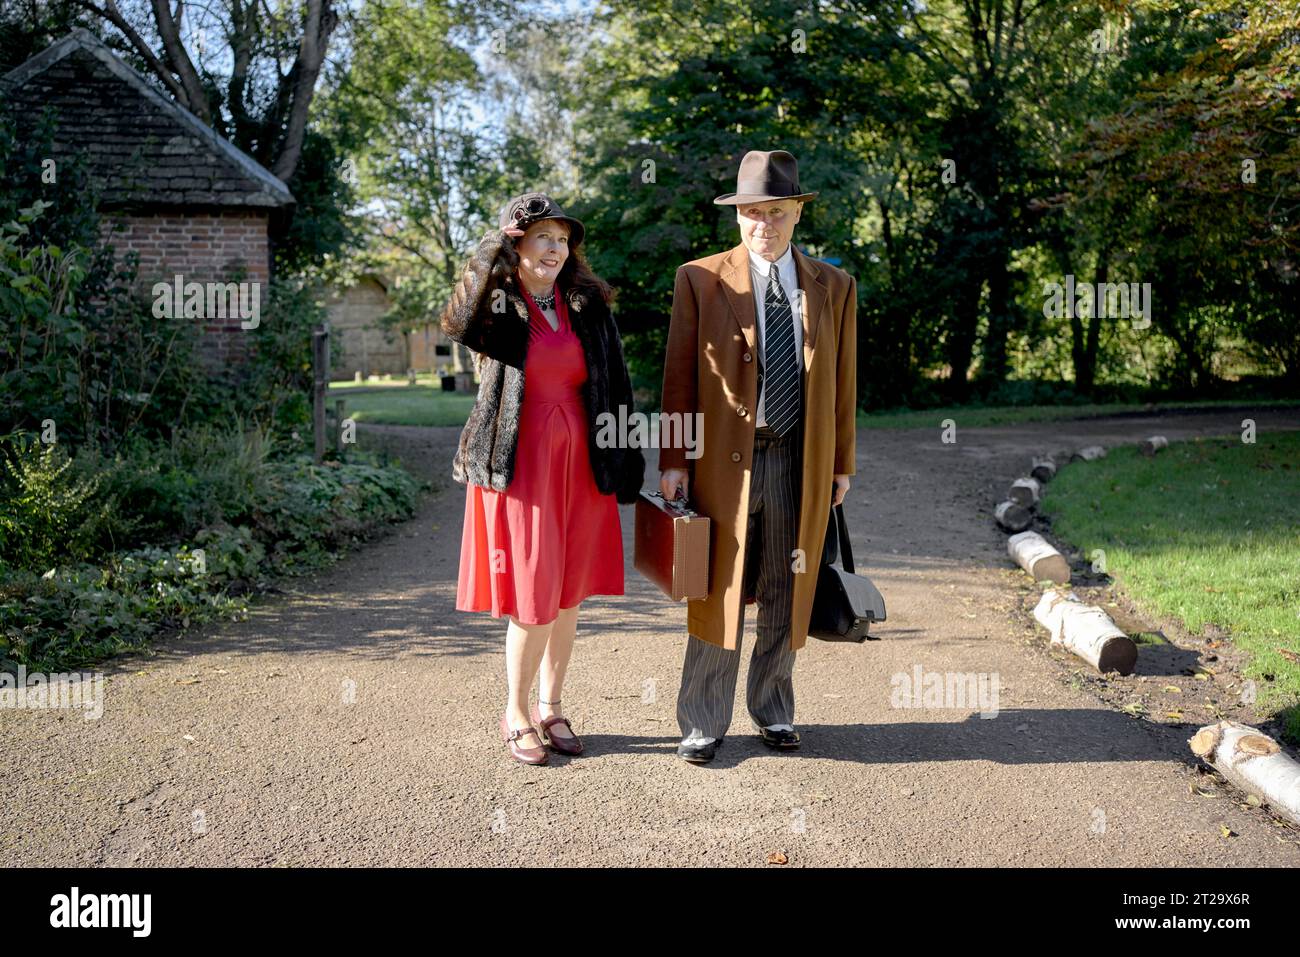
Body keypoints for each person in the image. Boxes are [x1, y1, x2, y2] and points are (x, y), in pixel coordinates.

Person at [658, 150, 857, 764]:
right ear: (736, 217)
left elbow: (844, 381)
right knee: (716, 587)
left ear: (797, 212)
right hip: (723, 462)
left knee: (786, 585)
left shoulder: (834, 285)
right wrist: (674, 458)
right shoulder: (701, 279)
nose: (762, 224)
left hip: (801, 456)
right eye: (750, 212)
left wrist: (841, 462)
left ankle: (774, 711)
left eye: (775, 210)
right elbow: (680, 377)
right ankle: (702, 720)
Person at [441, 192, 644, 766]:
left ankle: (553, 706)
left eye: (563, 239)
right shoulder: (496, 306)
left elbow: (617, 385)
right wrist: (492, 246)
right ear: (517, 245)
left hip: (582, 461)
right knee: (533, 593)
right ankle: (516, 711)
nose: (555, 248)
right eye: (541, 238)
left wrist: (625, 458)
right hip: (522, 463)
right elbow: (455, 321)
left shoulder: (587, 303)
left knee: (569, 590)